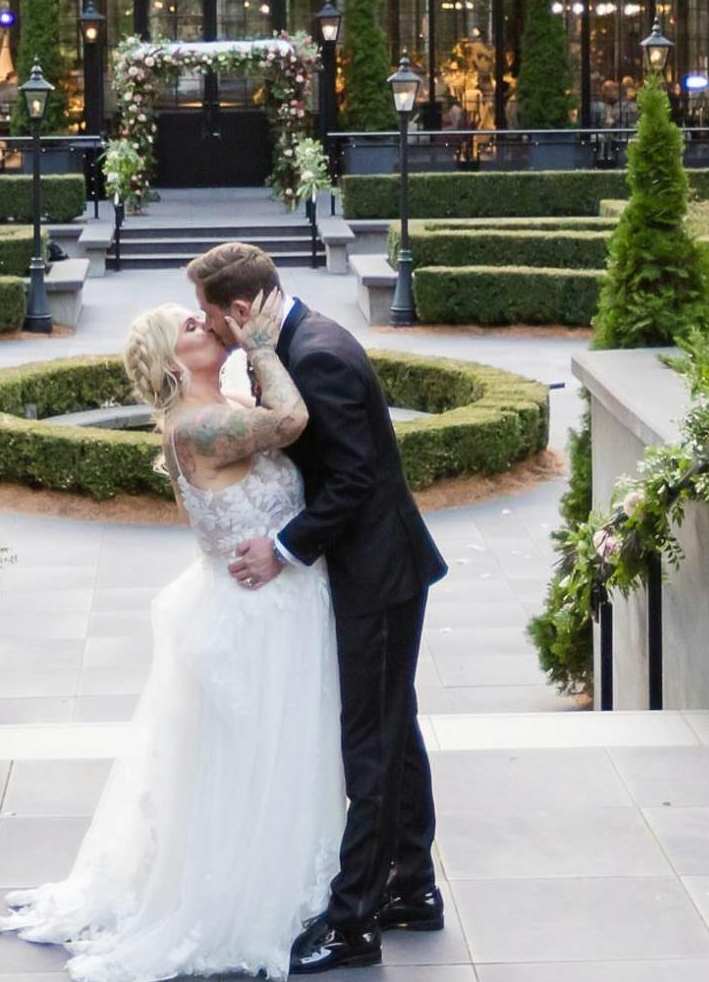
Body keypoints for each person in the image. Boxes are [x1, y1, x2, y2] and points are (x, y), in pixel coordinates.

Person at [0, 290, 346, 981]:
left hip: (278, 600)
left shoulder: (229, 411)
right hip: (255, 616)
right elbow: (295, 419)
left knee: (284, 753)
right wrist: (263, 342)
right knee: (255, 763)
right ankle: (247, 896)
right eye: (189, 323)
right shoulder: (198, 427)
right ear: (170, 359)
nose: (205, 322)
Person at [188, 244, 449, 975]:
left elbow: (354, 481)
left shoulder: (319, 354)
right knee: (393, 730)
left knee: (367, 740)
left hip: (378, 574)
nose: (210, 330)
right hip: (376, 569)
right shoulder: (293, 342)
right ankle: (412, 886)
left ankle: (354, 922)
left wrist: (282, 547)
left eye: (212, 317)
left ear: (240, 310)